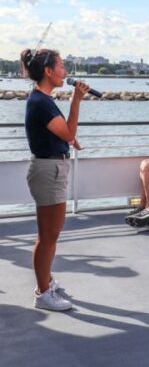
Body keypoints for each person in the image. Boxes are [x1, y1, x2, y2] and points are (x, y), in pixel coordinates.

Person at [21, 47, 90, 311]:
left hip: (52, 168)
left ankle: (46, 280)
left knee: (52, 234)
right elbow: (67, 129)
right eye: (61, 66)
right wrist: (76, 100)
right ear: (48, 71)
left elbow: (60, 133)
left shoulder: (42, 100)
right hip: (48, 171)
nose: (65, 72)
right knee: (48, 236)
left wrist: (69, 138)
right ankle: (42, 293)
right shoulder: (40, 102)